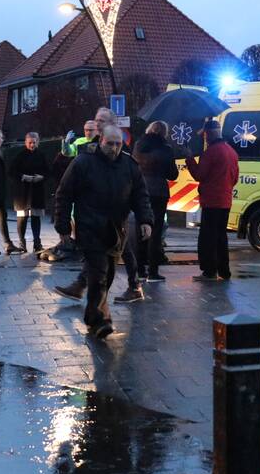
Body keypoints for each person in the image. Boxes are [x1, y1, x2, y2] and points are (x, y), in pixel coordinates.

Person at [54, 125, 153, 338]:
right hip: (90, 227)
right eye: (110, 143)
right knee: (98, 273)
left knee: (107, 274)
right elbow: (64, 193)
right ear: (101, 141)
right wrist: (62, 226)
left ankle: (93, 316)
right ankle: (101, 320)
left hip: (117, 229)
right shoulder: (83, 162)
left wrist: (146, 220)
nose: (114, 148)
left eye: (118, 144)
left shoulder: (129, 165)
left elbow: (140, 195)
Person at [54, 107, 118, 301]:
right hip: (91, 216)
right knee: (97, 257)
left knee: (114, 256)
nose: (96, 125)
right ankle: (89, 295)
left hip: (114, 218)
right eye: (95, 121)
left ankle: (131, 284)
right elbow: (66, 184)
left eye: (101, 121)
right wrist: (65, 144)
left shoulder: (119, 147)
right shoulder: (86, 147)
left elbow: (132, 182)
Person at [184, 120, 239, 282]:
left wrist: (189, 158)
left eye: (205, 135)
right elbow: (234, 178)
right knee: (221, 237)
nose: (205, 139)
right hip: (225, 200)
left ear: (209, 134)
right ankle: (224, 271)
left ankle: (209, 271)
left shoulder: (211, 152)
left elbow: (199, 175)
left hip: (211, 201)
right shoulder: (231, 151)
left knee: (208, 237)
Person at [132, 121, 178, 283]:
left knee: (140, 229)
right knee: (156, 232)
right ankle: (153, 272)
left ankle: (139, 271)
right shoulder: (166, 149)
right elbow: (173, 175)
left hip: (140, 191)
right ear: (164, 133)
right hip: (159, 192)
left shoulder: (138, 146)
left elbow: (133, 167)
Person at [10, 132, 49, 253]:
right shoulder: (20, 156)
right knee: (22, 218)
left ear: (38, 142)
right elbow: (11, 172)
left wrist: (41, 177)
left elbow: (48, 171)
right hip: (22, 193)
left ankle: (37, 243)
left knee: (36, 217)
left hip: (37, 191)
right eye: (30, 143)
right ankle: (22, 244)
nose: (32, 145)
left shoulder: (41, 155)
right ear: (26, 143)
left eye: (34, 142)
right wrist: (23, 176)